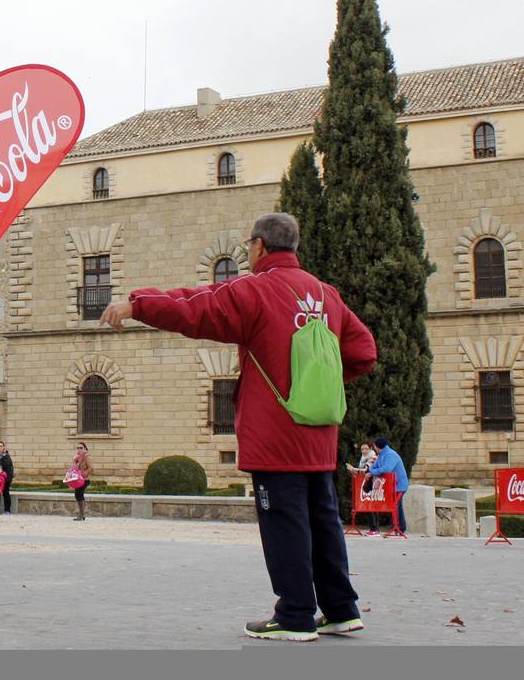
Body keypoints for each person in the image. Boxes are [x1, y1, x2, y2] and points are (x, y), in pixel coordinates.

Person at [101, 212, 377, 642]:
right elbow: (363, 352)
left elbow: (196, 308)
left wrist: (138, 305)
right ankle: (341, 609)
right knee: (323, 520)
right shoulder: (327, 294)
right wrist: (314, 382)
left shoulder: (255, 290)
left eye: (249, 244)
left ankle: (295, 616)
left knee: (285, 523)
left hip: (275, 434)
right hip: (320, 434)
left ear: (261, 246)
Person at [367, 436, 409, 535]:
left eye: (374, 446)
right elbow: (375, 466)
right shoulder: (381, 454)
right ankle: (398, 528)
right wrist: (372, 470)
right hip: (391, 485)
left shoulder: (390, 454)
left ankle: (399, 528)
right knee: (395, 506)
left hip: (399, 485)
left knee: (396, 506)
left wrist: (372, 472)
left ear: (377, 446)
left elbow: (386, 468)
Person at [346, 442, 380, 534]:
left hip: (372, 483)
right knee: (369, 505)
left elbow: (366, 470)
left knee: (370, 506)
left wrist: (354, 469)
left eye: (366, 449)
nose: (364, 451)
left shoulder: (372, 456)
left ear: (370, 449)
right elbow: (362, 471)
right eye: (362, 449)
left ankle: (374, 529)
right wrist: (354, 471)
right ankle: (374, 528)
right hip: (366, 484)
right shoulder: (363, 458)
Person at [69, 442, 92, 520]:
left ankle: (81, 515)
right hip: (78, 479)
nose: (79, 449)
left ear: (85, 448)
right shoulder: (77, 458)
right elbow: (75, 468)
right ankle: (82, 515)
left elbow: (91, 468)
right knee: (79, 495)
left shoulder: (87, 457)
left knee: (78, 494)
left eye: (81, 448)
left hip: (84, 479)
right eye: (78, 448)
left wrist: (83, 474)